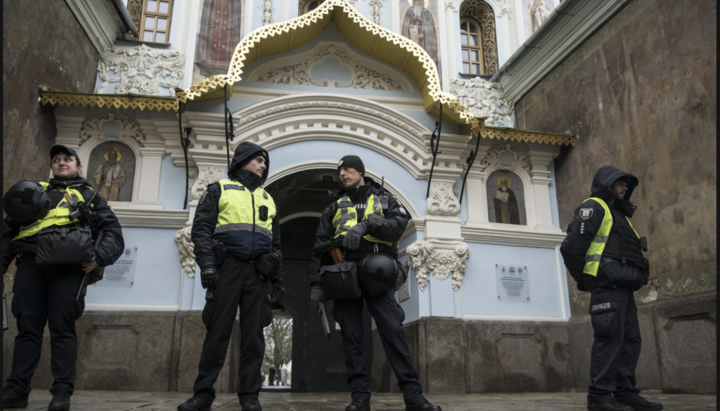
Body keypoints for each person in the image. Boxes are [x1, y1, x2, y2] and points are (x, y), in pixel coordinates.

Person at [311, 155, 441, 411]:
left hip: (378, 271)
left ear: (360, 171)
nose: (343, 175)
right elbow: (318, 248)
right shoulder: (333, 207)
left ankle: (414, 398)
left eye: (347, 169)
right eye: (340, 172)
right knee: (352, 338)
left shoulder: (384, 199)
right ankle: (360, 399)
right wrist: (317, 284)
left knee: (393, 332)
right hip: (344, 274)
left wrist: (366, 225)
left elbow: (398, 224)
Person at [2, 145, 125, 411]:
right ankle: (17, 390)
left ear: (79, 167)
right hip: (30, 265)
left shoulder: (91, 197)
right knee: (27, 331)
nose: (61, 163)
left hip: (68, 270)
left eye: (67, 159)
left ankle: (61, 394)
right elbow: (7, 231)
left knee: (62, 331)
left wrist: (98, 258)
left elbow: (114, 234)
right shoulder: (34, 192)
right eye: (56, 160)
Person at [178, 142, 285, 411]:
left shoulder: (268, 199)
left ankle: (250, 396)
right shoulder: (218, 189)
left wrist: (277, 280)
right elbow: (200, 230)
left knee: (253, 338)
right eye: (259, 160)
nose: (263, 166)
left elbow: (276, 246)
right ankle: (202, 394)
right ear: (243, 160)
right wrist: (208, 265)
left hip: (257, 275)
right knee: (217, 333)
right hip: (226, 269)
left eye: (265, 163)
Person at [560, 166, 663, 411]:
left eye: (627, 184)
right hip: (607, 288)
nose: (625, 187)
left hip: (624, 289)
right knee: (609, 341)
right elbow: (571, 248)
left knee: (629, 342)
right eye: (620, 182)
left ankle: (625, 393)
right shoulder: (594, 207)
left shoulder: (619, 215)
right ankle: (599, 396)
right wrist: (587, 280)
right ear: (606, 184)